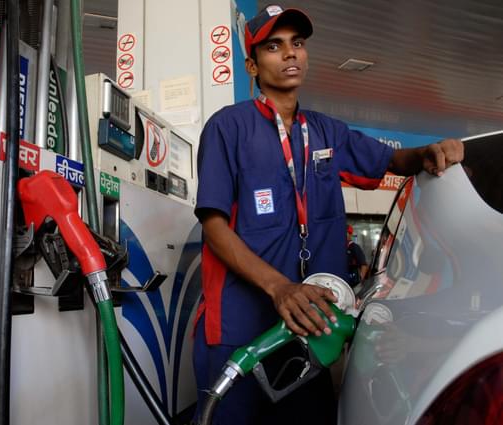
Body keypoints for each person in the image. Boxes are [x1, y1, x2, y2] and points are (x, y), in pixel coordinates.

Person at [192, 5, 464, 425]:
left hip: (311, 332)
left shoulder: (326, 132)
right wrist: (280, 288)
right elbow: (213, 227)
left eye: (297, 44)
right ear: (251, 63)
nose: (289, 54)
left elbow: (393, 160)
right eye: (274, 46)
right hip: (237, 331)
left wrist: (430, 152)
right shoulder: (228, 128)